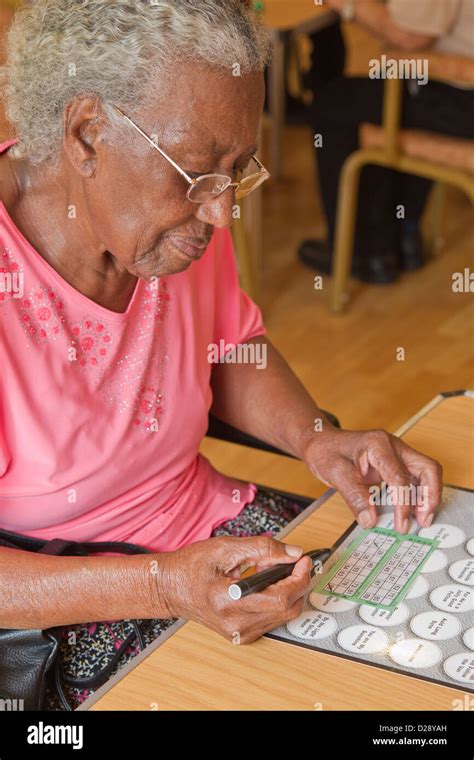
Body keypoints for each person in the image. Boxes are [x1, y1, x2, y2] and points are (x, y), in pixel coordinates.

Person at [0, 0, 441, 709]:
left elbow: (227, 347)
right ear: (86, 134)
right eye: (201, 174)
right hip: (66, 602)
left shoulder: (179, 216)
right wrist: (160, 584)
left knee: (407, 647)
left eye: (238, 170)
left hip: (210, 528)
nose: (221, 210)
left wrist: (315, 437)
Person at [298, 0, 474, 283]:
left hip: (460, 94)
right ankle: (405, 235)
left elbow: (409, 36)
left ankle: (365, 252)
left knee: (335, 105)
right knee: (392, 91)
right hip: (455, 89)